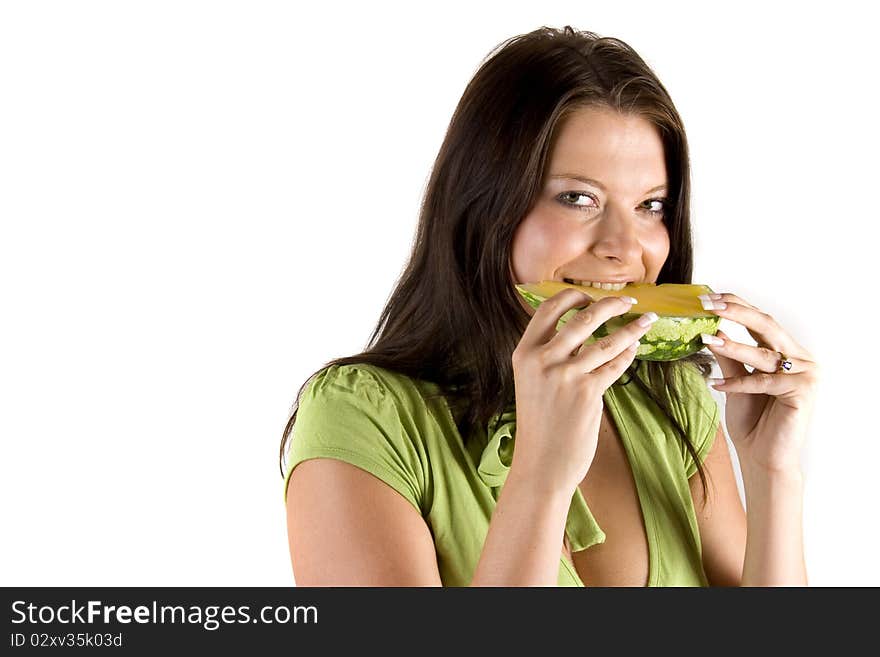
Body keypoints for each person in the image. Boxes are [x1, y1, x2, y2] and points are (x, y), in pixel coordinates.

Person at [278, 26, 818, 586]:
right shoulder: (364, 419)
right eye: (578, 198)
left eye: (651, 205)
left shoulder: (670, 398)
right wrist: (540, 476)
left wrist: (772, 473)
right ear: (484, 207)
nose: (625, 247)